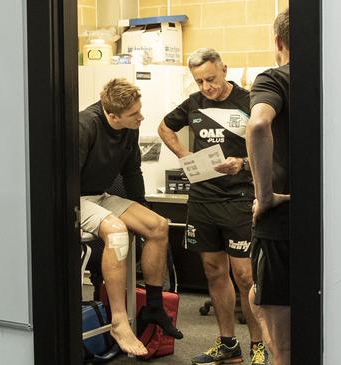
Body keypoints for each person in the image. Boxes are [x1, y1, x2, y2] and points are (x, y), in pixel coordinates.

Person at [158, 48, 268, 365]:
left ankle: (258, 346)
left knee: (245, 276)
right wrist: (184, 156)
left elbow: (272, 148)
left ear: (224, 69)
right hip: (203, 199)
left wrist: (243, 164)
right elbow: (165, 127)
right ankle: (228, 344)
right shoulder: (193, 104)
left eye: (211, 78)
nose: (207, 86)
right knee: (213, 271)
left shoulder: (249, 101)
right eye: (200, 81)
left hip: (239, 198)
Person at [79, 78, 183, 357]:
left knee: (158, 225)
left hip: (99, 196)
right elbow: (61, 179)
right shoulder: (85, 126)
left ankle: (154, 306)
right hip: (74, 200)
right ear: (111, 115)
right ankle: (119, 321)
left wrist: (141, 208)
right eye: (134, 114)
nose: (141, 116)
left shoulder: (129, 128)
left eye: (140, 109)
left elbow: (132, 171)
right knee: (116, 232)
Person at [246, 8, 291, 365]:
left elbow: (259, 126)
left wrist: (265, 196)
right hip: (332, 218)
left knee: (283, 345)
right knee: (253, 296)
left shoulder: (275, 79)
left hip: (283, 221)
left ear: (279, 43)